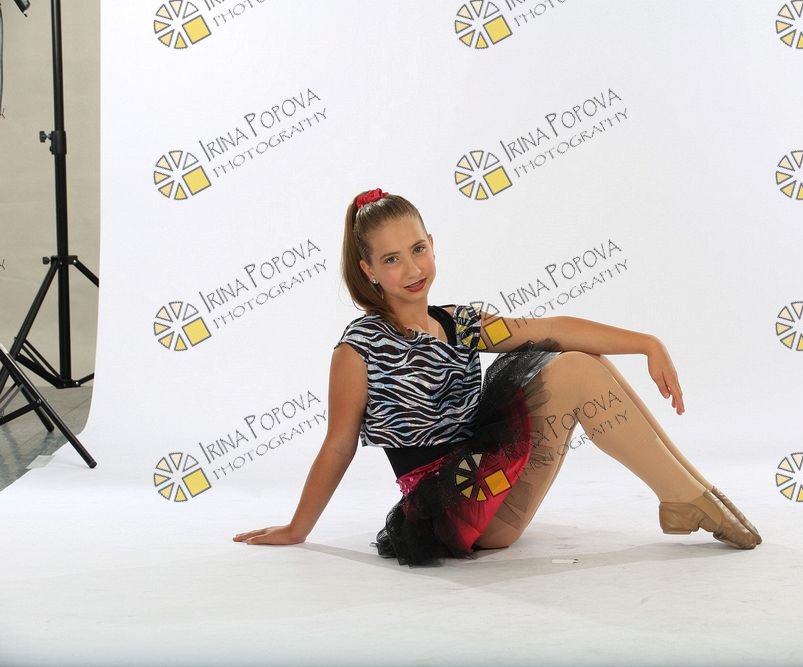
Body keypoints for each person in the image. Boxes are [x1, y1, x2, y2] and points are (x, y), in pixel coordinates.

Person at [233, 188, 762, 567]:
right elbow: (338, 445)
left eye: (418, 250)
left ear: (432, 243)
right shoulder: (359, 347)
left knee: (580, 359)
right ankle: (688, 498)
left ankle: (689, 493)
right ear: (368, 270)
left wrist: (648, 342)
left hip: (491, 476)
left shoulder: (458, 322)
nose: (412, 269)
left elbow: (552, 327)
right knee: (577, 371)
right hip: (455, 509)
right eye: (392, 259)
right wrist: (297, 529)